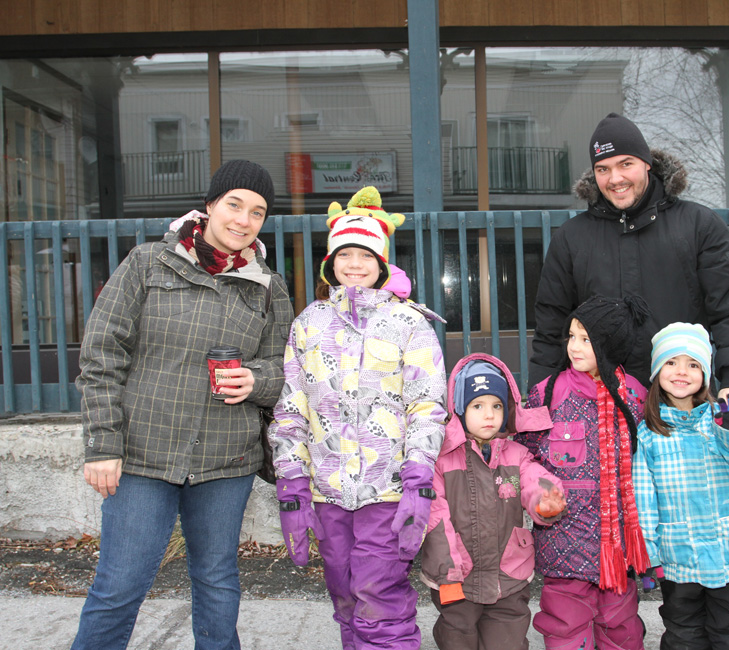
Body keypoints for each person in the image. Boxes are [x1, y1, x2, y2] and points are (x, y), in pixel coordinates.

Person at [72, 159, 293, 650]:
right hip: (141, 456)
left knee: (217, 582)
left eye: (257, 212)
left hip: (225, 460)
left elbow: (287, 370)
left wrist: (254, 379)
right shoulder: (148, 263)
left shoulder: (268, 286)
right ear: (210, 205)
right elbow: (101, 356)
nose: (243, 219)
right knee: (119, 587)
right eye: (234, 204)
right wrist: (101, 444)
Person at [268, 186, 448, 650]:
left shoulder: (409, 323)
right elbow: (292, 406)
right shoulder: (309, 322)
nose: (354, 263)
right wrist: (291, 485)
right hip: (327, 493)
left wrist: (418, 482)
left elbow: (426, 406)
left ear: (382, 263)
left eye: (365, 254)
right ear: (330, 262)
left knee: (378, 598)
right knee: (346, 596)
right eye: (344, 253)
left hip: (386, 492)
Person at [529, 112, 729, 415]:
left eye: (626, 164)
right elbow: (552, 327)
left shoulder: (699, 225)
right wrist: (540, 402)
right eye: (603, 169)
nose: (615, 179)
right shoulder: (572, 237)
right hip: (598, 410)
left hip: (681, 404)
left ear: (647, 163)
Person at [633, 322, 729, 650]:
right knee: (684, 634)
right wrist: (649, 553)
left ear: (706, 374)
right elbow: (644, 499)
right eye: (671, 362)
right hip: (677, 558)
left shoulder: (721, 420)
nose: (681, 372)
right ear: (657, 371)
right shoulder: (648, 433)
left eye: (693, 364)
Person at [523, 294, 652, 650]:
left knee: (621, 628)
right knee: (565, 628)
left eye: (585, 339)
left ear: (611, 345)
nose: (574, 347)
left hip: (619, 550)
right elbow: (524, 454)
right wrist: (541, 494)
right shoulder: (547, 394)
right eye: (571, 336)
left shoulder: (636, 399)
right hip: (564, 542)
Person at [420, 353, 567, 650]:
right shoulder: (443, 460)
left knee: (508, 641)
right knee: (457, 635)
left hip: (508, 575)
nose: (489, 415)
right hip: (457, 577)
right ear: (459, 409)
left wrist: (545, 499)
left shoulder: (515, 454)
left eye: (496, 406)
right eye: (478, 406)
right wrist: (447, 569)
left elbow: (534, 479)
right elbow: (435, 516)